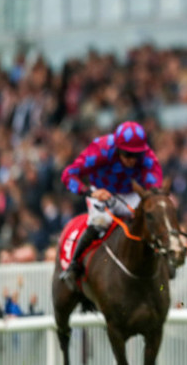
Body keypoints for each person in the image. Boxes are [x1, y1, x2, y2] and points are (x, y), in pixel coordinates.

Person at [59, 121, 162, 289]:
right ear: (118, 148)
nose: (132, 160)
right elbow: (68, 175)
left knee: (152, 217)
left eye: (136, 155)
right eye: (127, 154)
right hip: (101, 192)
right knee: (101, 221)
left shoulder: (148, 157)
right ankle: (73, 266)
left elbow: (154, 187)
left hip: (130, 194)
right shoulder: (101, 148)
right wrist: (89, 192)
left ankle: (164, 261)